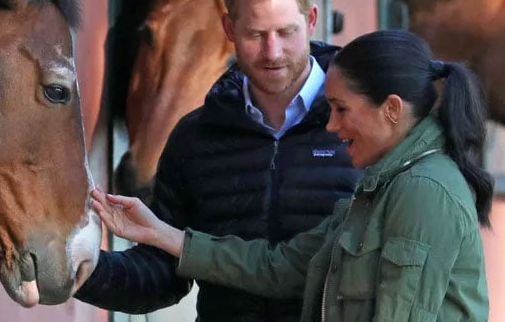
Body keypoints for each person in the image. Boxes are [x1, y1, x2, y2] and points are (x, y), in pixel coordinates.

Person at [91, 29, 493, 322]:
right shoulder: (385, 186)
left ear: (390, 108)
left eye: (340, 109)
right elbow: (280, 267)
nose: (332, 127)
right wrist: (163, 234)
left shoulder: (423, 190)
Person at [75, 0, 362, 321]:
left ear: (310, 21)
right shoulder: (195, 139)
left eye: (285, 32)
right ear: (228, 30)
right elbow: (162, 275)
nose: (272, 52)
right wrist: (84, 270)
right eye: (255, 34)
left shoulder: (364, 124)